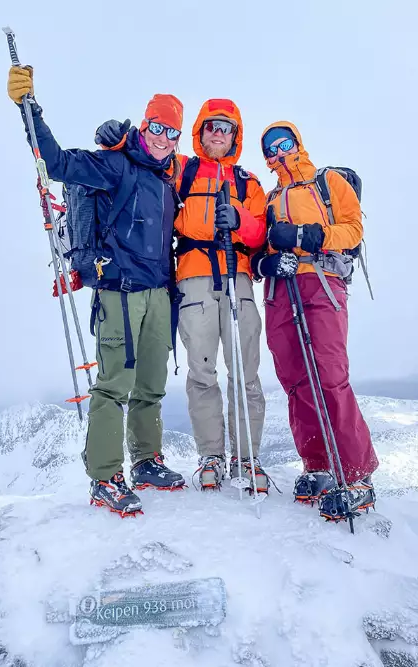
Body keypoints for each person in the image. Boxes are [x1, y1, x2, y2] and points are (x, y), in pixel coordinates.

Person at [7, 66, 186, 517]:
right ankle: (105, 477)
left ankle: (146, 460)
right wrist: (30, 111)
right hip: (119, 291)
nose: (163, 138)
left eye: (172, 132)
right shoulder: (114, 164)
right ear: (144, 125)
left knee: (151, 385)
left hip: (159, 294)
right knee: (113, 386)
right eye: (157, 127)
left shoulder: (168, 177)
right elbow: (57, 163)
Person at [96, 99, 269, 493]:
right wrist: (116, 142)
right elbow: (146, 160)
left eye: (226, 127)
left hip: (238, 275)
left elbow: (261, 233)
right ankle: (211, 455)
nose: (218, 133)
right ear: (200, 131)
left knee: (245, 371)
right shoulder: (182, 169)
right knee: (202, 372)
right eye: (211, 126)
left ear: (235, 135)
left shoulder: (248, 182)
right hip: (192, 278)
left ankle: (247, 457)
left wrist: (240, 220)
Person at [251, 121, 378, 519]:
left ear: (298, 143)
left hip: (321, 282)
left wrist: (308, 236)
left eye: (284, 142)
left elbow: (353, 230)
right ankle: (318, 465)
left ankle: (357, 477)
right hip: (280, 290)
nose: (279, 152)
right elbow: (256, 250)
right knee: (294, 379)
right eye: (271, 148)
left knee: (329, 376)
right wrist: (265, 263)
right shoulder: (269, 200)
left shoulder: (328, 183)